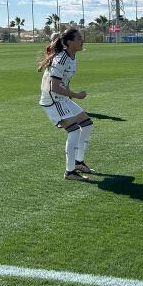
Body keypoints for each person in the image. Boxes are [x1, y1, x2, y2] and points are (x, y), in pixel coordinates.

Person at [38, 28, 94, 180]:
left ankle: (79, 162)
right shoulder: (61, 59)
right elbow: (54, 87)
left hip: (61, 98)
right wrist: (76, 95)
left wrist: (70, 95)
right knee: (74, 131)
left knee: (87, 124)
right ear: (69, 42)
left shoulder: (72, 57)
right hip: (52, 100)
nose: (82, 41)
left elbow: (63, 82)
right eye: (79, 38)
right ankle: (69, 172)